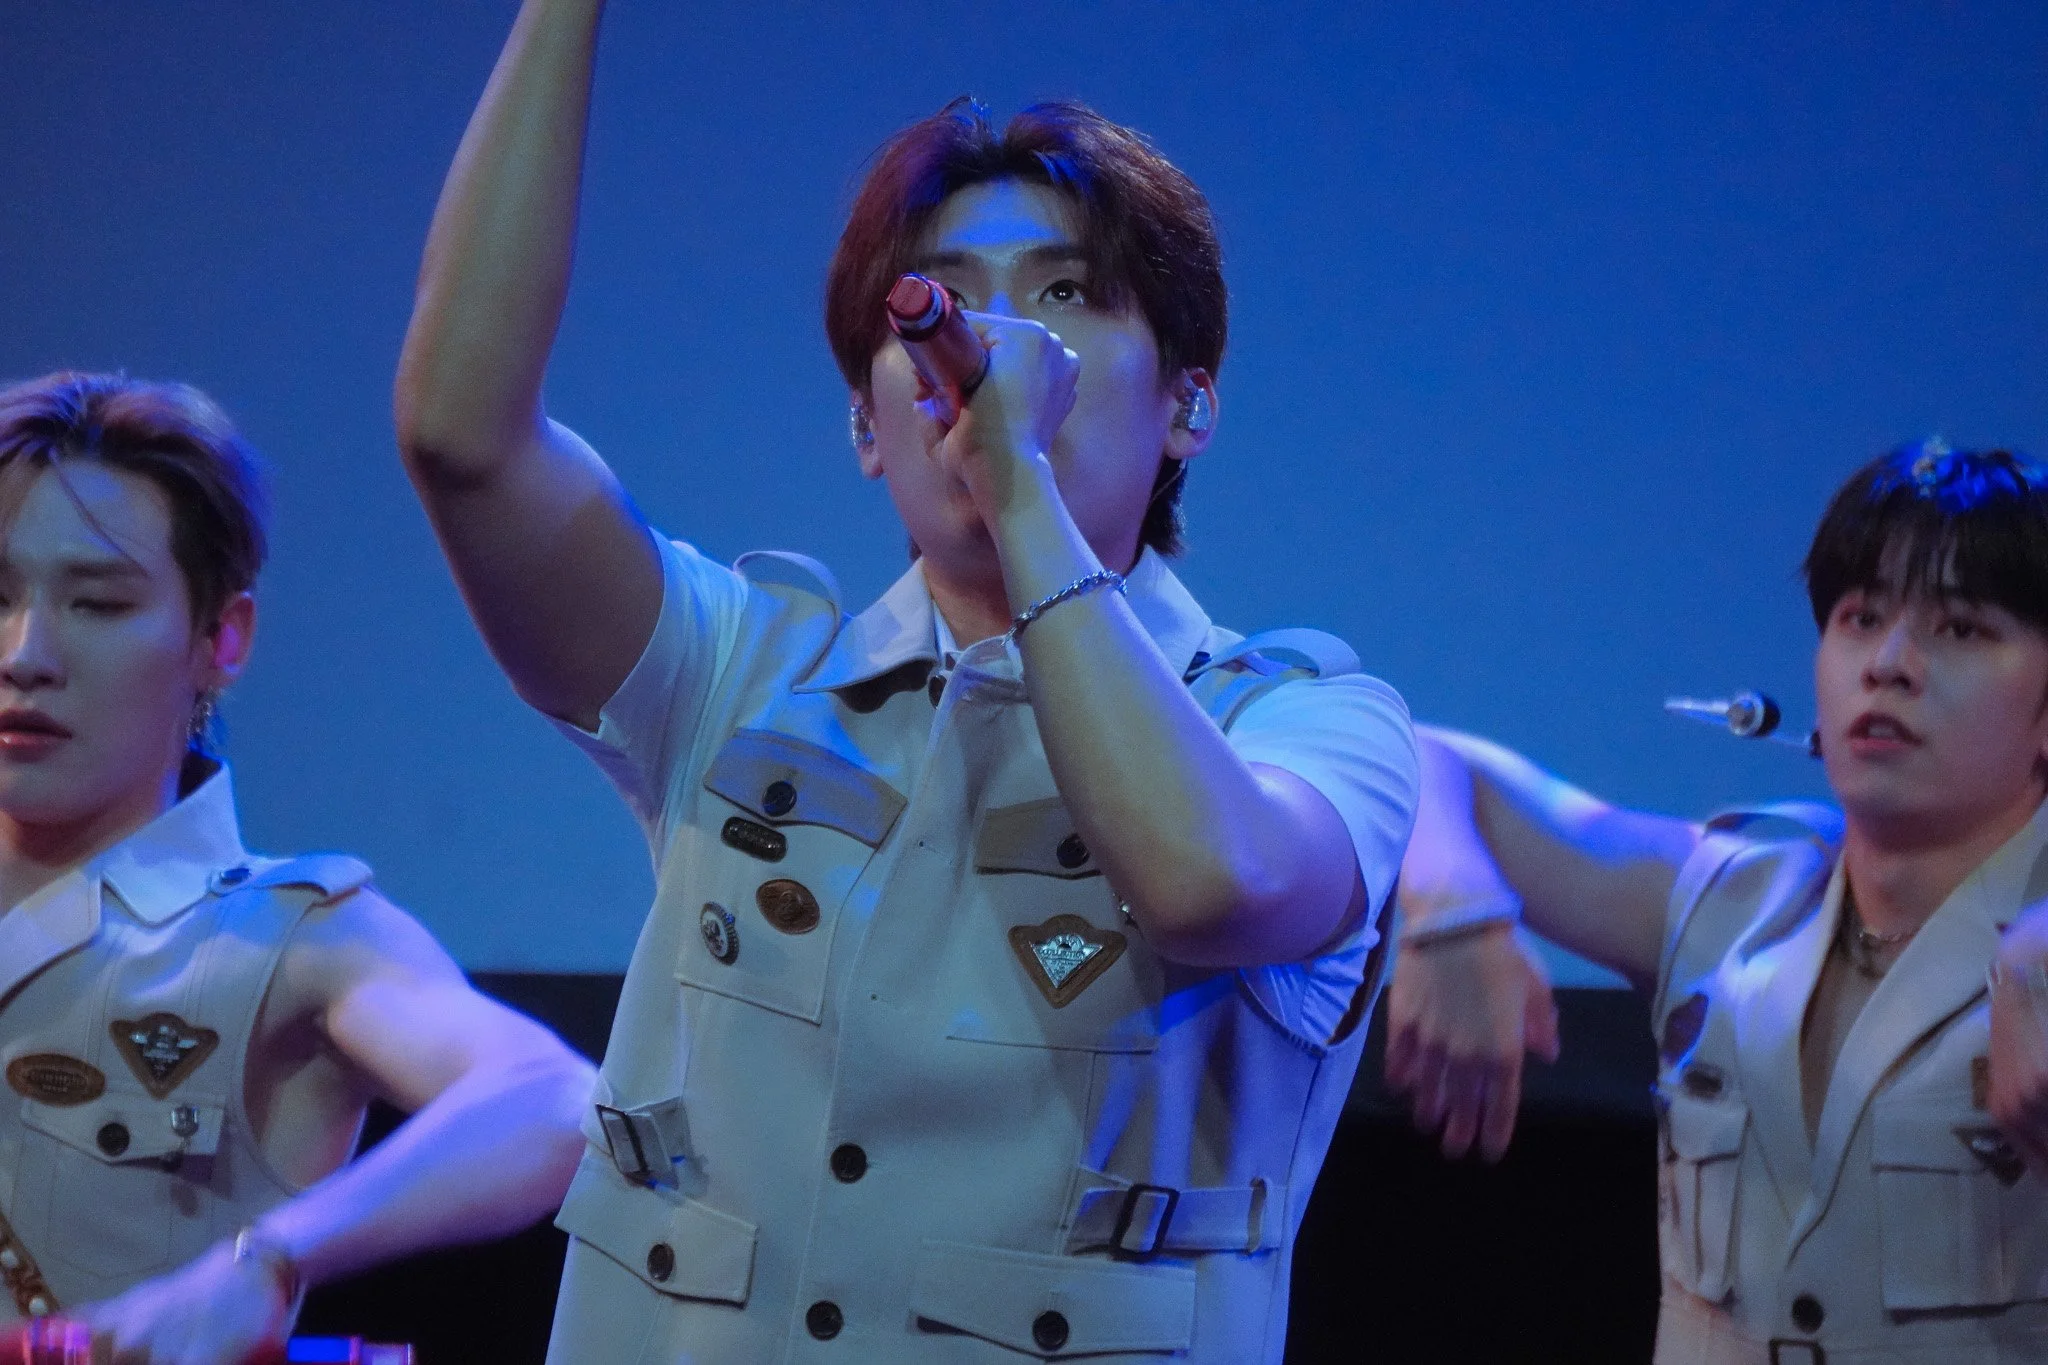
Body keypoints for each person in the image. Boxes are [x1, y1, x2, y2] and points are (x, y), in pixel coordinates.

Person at [392, 1, 1420, 1360]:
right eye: (938, 304)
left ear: (1189, 404)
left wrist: (1017, 485)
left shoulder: (1305, 722)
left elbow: (1205, 881)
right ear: (866, 428)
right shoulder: (729, 671)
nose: (983, 348)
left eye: (1063, 294)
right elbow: (462, 436)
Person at [1387, 440, 2048, 1361]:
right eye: (1860, 617)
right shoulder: (1737, 895)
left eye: (1962, 628)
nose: (1889, 662)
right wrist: (1454, 909)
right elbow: (1409, 751)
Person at [0, 371, 595, 1365]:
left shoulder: (290, 938)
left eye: (98, 604)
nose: (27, 655)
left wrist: (263, 1262)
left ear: (220, 640)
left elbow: (551, 1100)